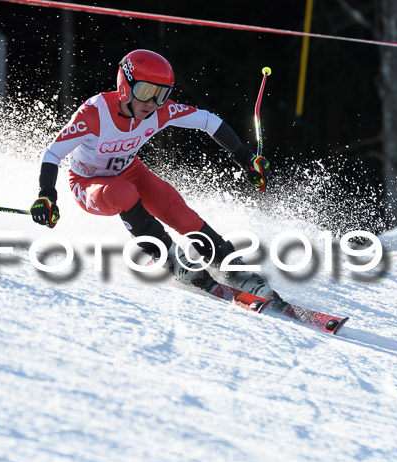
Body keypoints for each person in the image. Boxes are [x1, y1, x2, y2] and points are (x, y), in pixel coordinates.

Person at [30, 49, 272, 297]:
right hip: (87, 183)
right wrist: (46, 194)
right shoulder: (94, 113)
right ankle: (169, 257)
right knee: (124, 193)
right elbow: (52, 154)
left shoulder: (160, 111)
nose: (151, 104)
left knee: (180, 213)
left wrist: (245, 158)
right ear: (125, 86)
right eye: (145, 92)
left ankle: (230, 265)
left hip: (130, 171)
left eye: (161, 95)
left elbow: (208, 121)